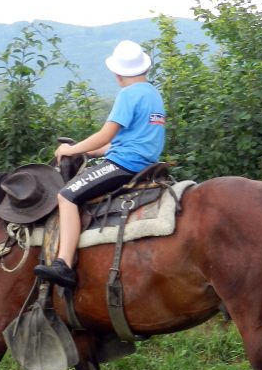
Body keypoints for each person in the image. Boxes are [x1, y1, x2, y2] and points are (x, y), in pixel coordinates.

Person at [34, 39, 166, 288]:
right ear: (144, 68)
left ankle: (63, 264)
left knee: (67, 196)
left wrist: (71, 149)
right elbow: (121, 141)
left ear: (117, 73)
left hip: (125, 165)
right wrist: (90, 153)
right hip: (146, 163)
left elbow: (106, 135)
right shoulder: (153, 94)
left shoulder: (128, 94)